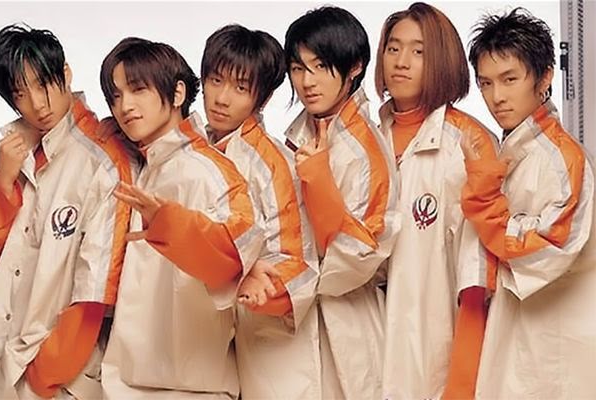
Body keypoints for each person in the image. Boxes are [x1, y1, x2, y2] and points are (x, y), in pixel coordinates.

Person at [0, 24, 133, 399]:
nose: (38, 105)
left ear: (66, 74)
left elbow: (95, 289)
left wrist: (44, 378)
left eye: (43, 85)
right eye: (20, 94)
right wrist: (2, 183)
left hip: (50, 378)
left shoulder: (103, 163)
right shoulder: (16, 152)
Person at [98, 37, 263, 399]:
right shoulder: (142, 168)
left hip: (191, 389)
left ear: (177, 94)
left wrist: (171, 225)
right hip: (125, 385)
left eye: (138, 89)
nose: (125, 106)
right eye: (115, 95)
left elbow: (236, 252)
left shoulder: (206, 170)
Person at [463, 8, 596, 399]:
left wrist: (484, 204)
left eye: (510, 79)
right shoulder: (510, 150)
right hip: (517, 340)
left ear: (545, 77)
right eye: (486, 83)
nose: (497, 97)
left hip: (553, 349)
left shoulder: (562, 158)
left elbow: (549, 245)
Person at [374, 3, 497, 398]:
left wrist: (460, 384)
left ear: (443, 60)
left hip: (436, 350)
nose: (401, 62)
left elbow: (478, 273)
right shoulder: (367, 139)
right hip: (371, 345)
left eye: (419, 51)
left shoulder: (468, 143)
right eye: (393, 48)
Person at [284, 6, 400, 399]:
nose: (307, 82)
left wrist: (320, 185)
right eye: (298, 68)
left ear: (354, 67)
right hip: (295, 326)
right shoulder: (296, 136)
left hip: (348, 321)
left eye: (320, 66)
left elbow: (361, 253)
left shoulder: (364, 148)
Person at [200, 24, 319, 399]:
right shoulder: (197, 151)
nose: (221, 98)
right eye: (215, 81)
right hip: (212, 337)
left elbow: (297, 260)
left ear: (262, 98)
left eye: (240, 88)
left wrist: (260, 292)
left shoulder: (272, 163)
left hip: (270, 336)